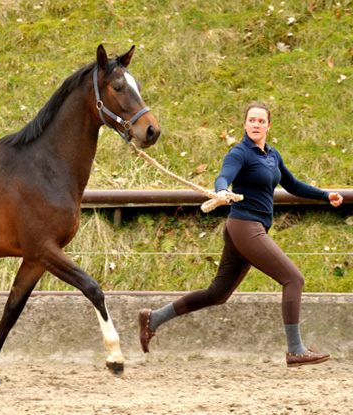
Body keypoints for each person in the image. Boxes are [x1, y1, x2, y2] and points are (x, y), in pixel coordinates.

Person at [139, 102, 344, 367]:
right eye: (252, 120)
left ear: (269, 126)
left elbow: (292, 185)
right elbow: (224, 176)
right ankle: (295, 349)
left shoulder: (272, 155)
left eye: (261, 121)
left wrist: (326, 195)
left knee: (217, 294)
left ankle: (152, 318)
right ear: (245, 125)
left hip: (248, 230)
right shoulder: (240, 153)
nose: (256, 125)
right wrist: (223, 190)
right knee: (294, 279)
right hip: (245, 227)